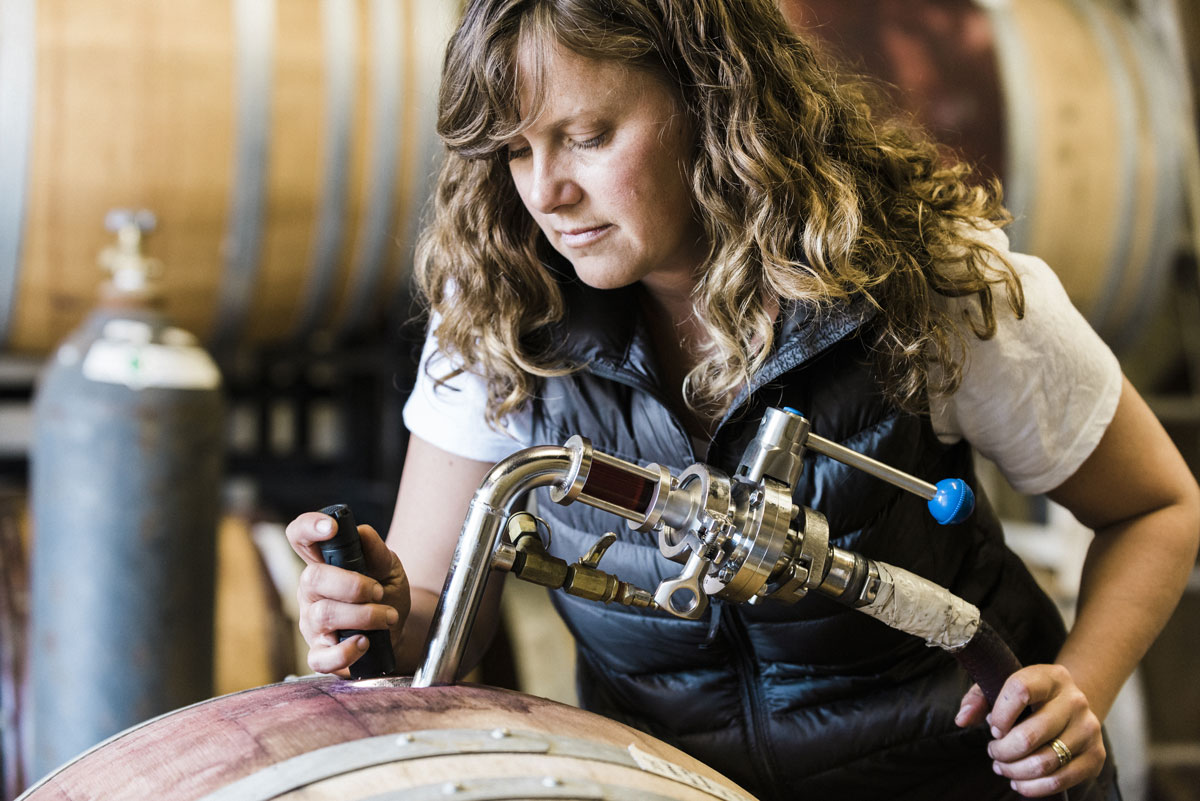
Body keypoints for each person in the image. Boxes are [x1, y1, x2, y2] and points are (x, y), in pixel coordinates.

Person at [285, 0, 1200, 798]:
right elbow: (434, 612)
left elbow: (1157, 506)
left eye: (588, 136)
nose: (547, 194)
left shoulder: (930, 283)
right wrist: (370, 613)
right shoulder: (499, 314)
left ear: (711, 96)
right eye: (516, 150)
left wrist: (1079, 688)